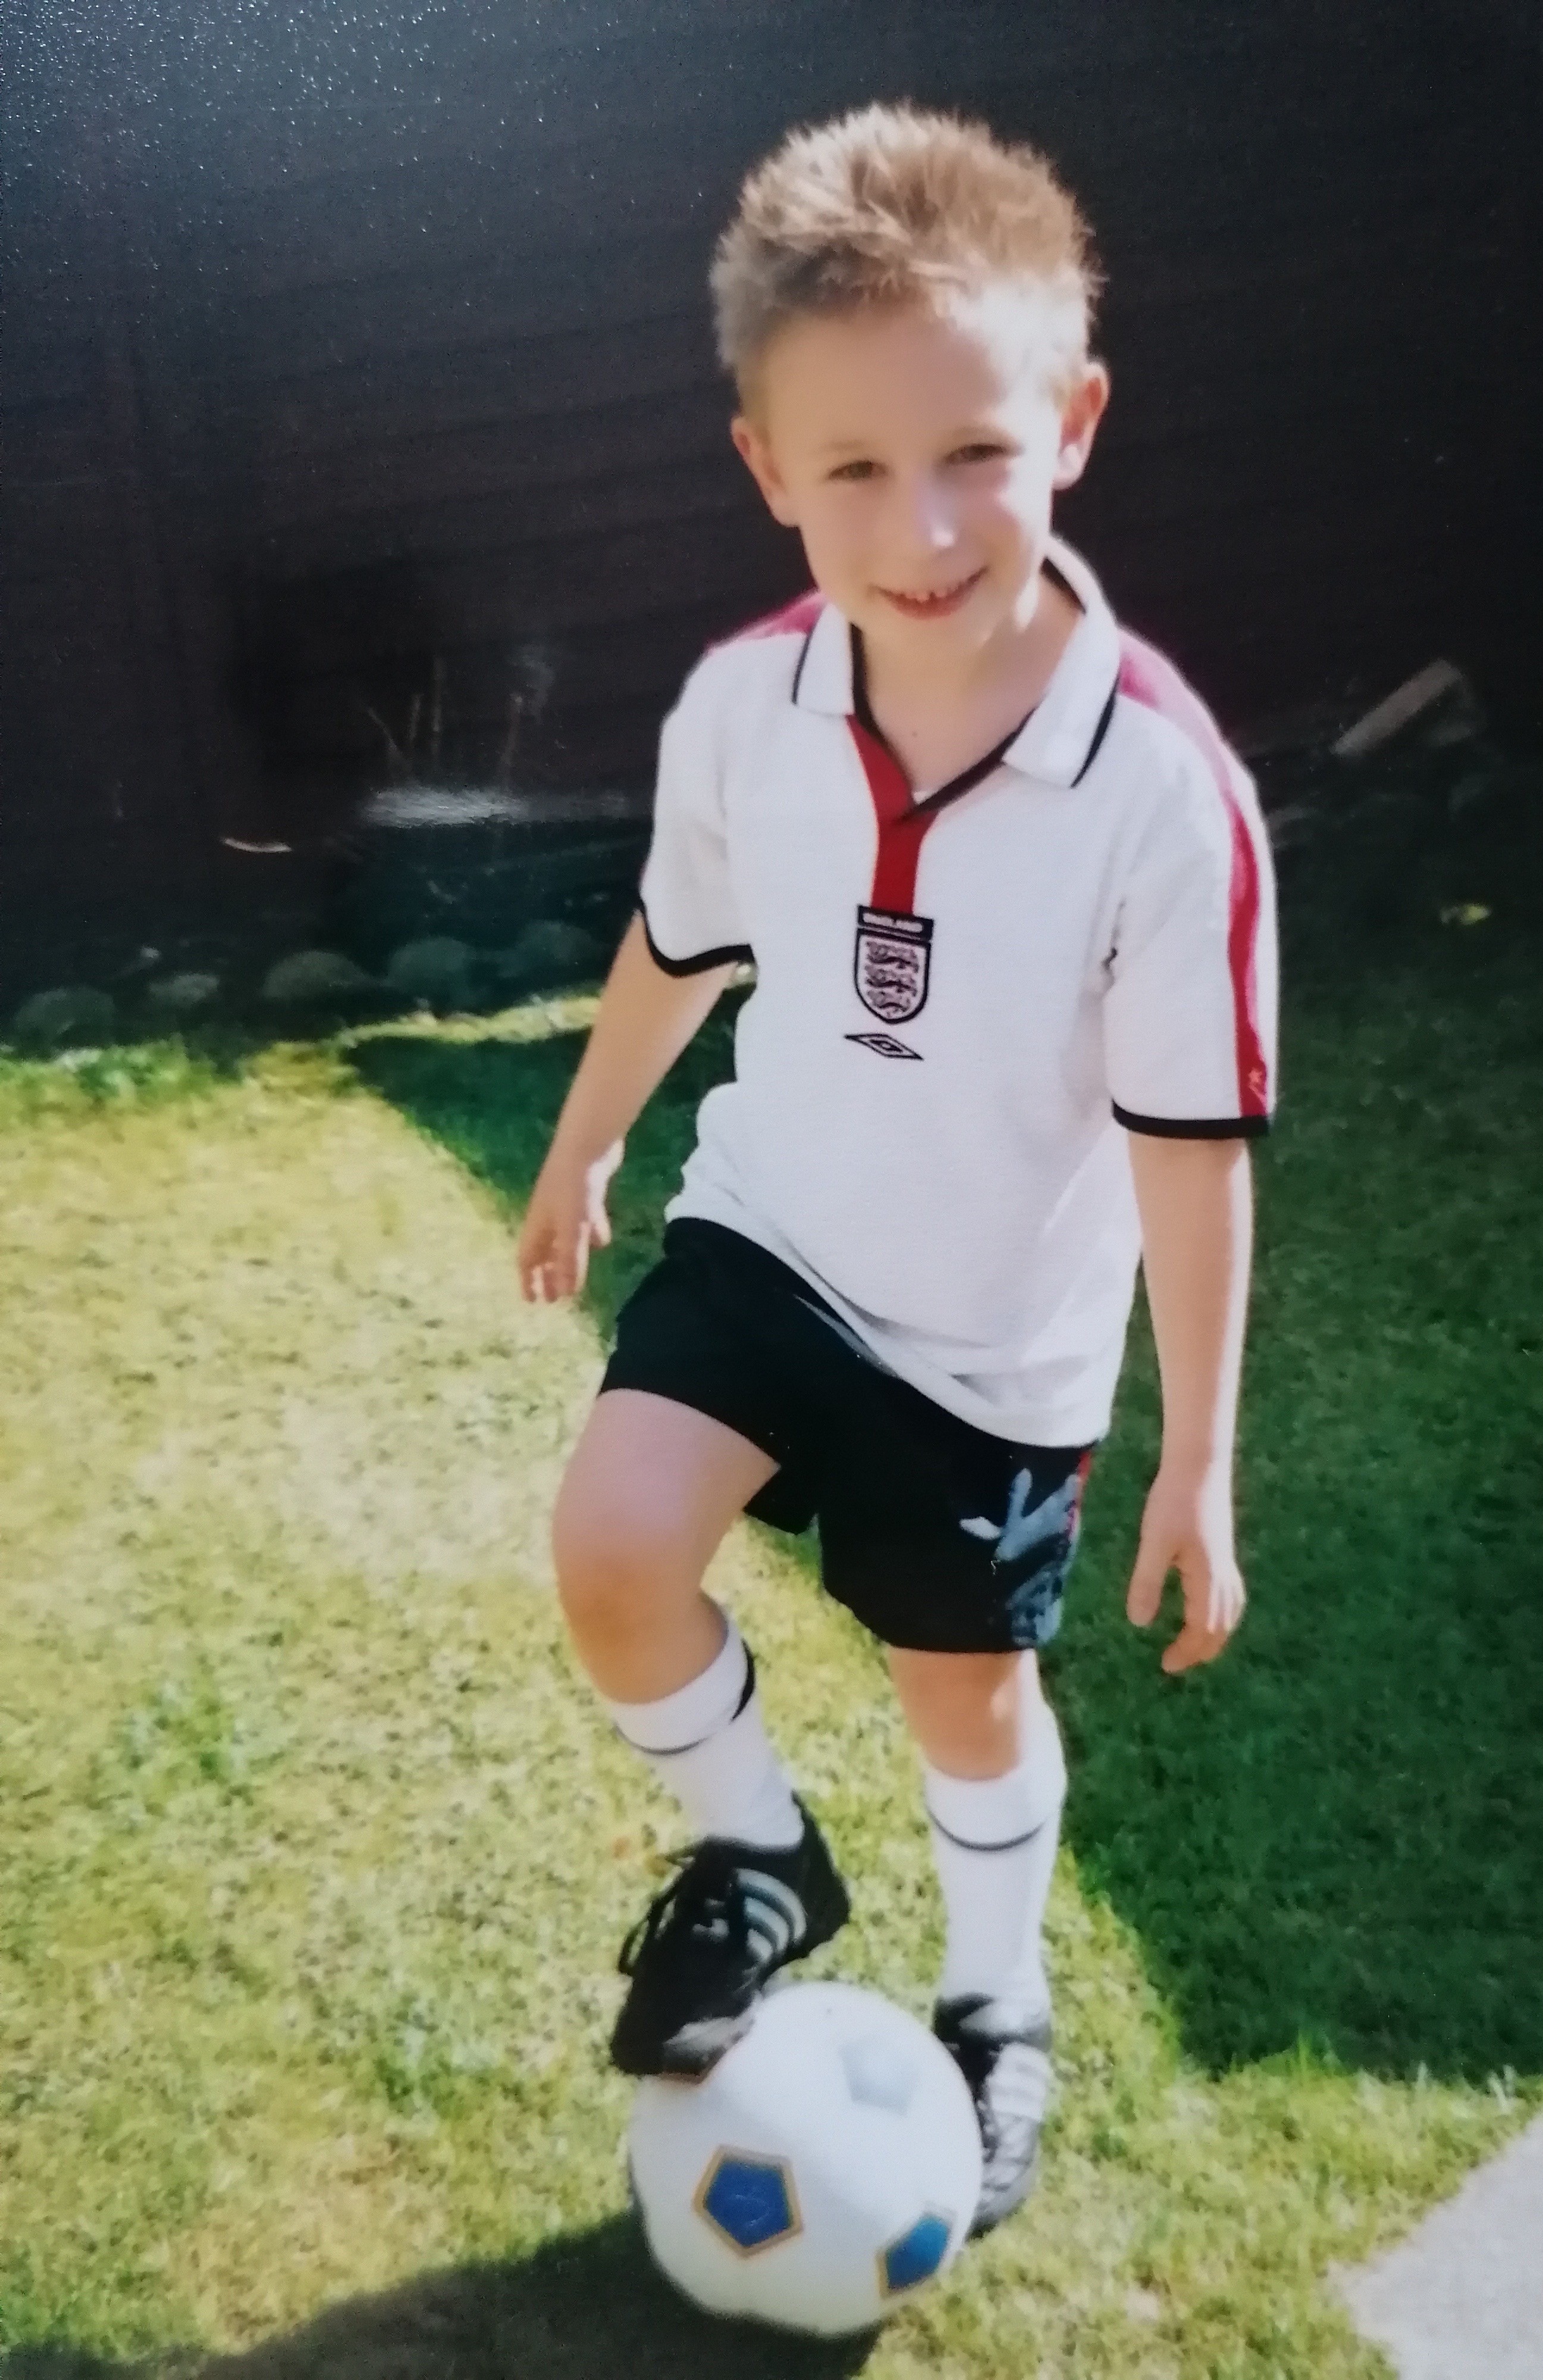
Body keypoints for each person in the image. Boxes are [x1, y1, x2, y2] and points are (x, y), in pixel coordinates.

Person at [516, 102, 1278, 2237]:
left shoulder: (1161, 796)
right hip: (773, 1235)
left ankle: (994, 2001)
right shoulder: (743, 708)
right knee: (613, 1544)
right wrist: (585, 1154)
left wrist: (1194, 1458)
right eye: (850, 467)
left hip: (992, 1340)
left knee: (968, 1692)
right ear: (767, 468)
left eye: (975, 455)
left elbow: (1191, 1147)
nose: (921, 523)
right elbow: (681, 939)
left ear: (1077, 421)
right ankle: (757, 1852)